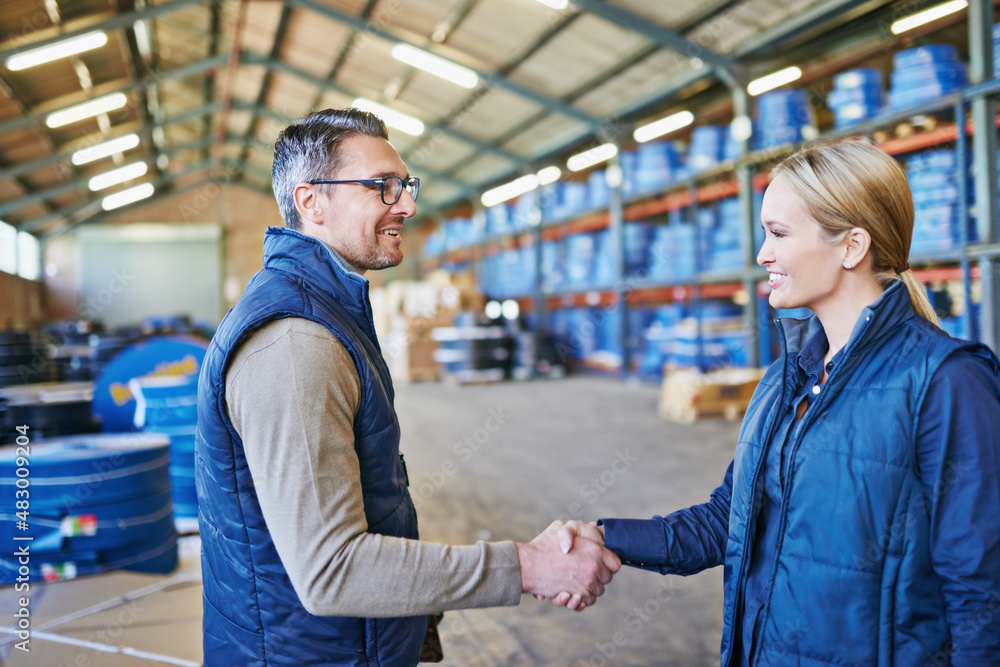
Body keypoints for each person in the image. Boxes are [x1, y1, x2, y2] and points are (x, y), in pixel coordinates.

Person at [194, 108, 620, 666]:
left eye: (406, 185)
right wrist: (531, 565)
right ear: (310, 202)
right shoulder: (295, 344)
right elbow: (331, 572)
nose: (408, 205)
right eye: (382, 187)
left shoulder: (327, 312)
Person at [558, 138, 1000, 665]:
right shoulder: (785, 380)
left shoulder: (947, 382)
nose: (762, 253)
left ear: (851, 247)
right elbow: (730, 519)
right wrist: (604, 536)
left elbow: (981, 591)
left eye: (778, 233)